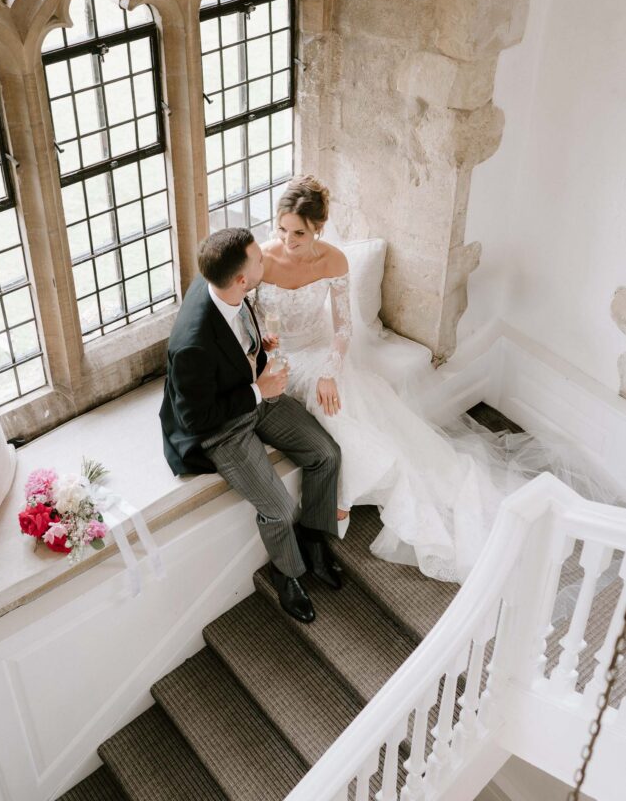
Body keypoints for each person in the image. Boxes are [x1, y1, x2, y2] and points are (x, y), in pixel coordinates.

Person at [253, 176, 620, 584]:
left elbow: (342, 329)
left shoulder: (334, 261)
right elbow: (250, 318)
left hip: (322, 354)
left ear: (318, 228)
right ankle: (348, 491)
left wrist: (328, 372)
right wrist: (267, 355)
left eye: (299, 232)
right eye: (282, 229)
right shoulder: (263, 258)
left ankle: (346, 493)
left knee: (340, 406)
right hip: (280, 355)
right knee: (342, 417)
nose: (288, 239)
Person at [159, 227, 343, 623]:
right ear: (242, 279)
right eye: (258, 258)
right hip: (223, 425)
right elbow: (196, 418)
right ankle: (287, 573)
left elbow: (238, 330)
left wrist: (260, 347)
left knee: (327, 454)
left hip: (254, 388)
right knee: (278, 508)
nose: (267, 257)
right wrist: (258, 392)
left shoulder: (222, 283)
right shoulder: (191, 344)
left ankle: (313, 539)